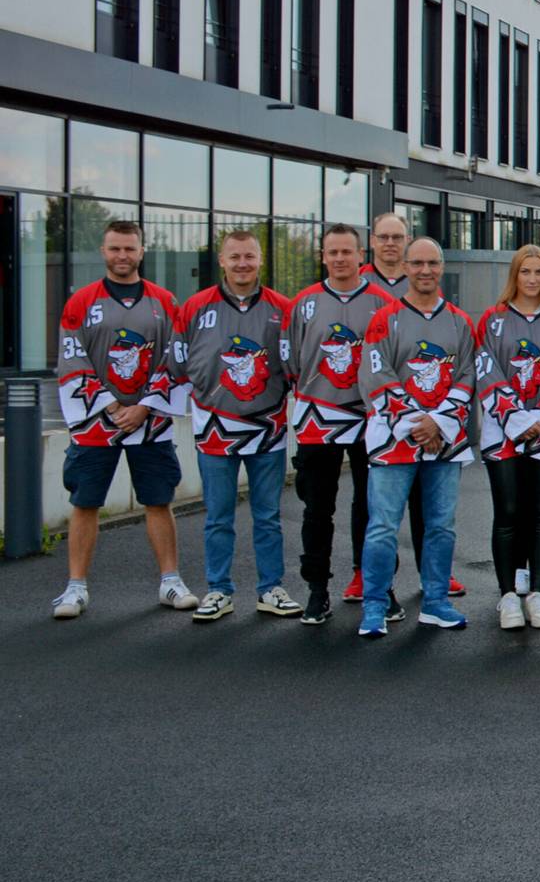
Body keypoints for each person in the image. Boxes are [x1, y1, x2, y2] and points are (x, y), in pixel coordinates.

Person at [49, 220, 195, 620]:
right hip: (98, 419)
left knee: (158, 499)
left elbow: (175, 359)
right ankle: (75, 587)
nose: (122, 256)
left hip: (149, 419)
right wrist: (112, 406)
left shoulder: (165, 301)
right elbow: (71, 358)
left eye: (129, 248)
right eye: (115, 248)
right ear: (104, 251)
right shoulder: (81, 301)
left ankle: (170, 580)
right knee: (85, 502)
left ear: (142, 251)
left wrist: (145, 406)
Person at [354, 238, 476, 637]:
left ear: (442, 268)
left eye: (433, 263)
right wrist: (416, 422)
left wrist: (437, 424)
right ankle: (374, 604)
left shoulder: (459, 321)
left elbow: (467, 376)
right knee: (382, 526)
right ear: (405, 267)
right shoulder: (383, 318)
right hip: (394, 441)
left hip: (444, 440)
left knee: (441, 525)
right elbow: (375, 375)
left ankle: (436, 601)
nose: (426, 270)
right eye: (418, 263)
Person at [176, 230, 297, 622]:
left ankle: (271, 588)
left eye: (249, 256)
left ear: (260, 259)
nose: (242, 263)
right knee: (217, 516)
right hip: (214, 428)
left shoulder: (283, 308)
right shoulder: (195, 307)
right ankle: (218, 590)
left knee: (267, 516)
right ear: (222, 261)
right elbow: (178, 364)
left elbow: (293, 366)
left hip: (268, 428)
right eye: (235, 257)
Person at [286, 224, 403, 626]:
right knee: (318, 509)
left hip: (370, 418)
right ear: (323, 256)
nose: (339, 259)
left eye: (346, 252)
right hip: (319, 417)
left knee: (373, 509)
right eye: (332, 252)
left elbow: (392, 362)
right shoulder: (304, 303)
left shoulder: (383, 302)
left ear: (360, 255)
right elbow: (292, 363)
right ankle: (317, 590)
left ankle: (379, 586)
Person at [473, 245, 540, 631]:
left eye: (539, 272)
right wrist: (517, 418)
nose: (533, 279)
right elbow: (486, 368)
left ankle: (536, 593)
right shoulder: (493, 318)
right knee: (508, 514)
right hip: (503, 433)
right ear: (514, 275)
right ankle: (507, 596)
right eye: (525, 272)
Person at [362, 212, 411, 294]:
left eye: (397, 237)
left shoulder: (421, 281)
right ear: (372, 241)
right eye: (383, 237)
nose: (390, 243)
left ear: (408, 241)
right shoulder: (356, 280)